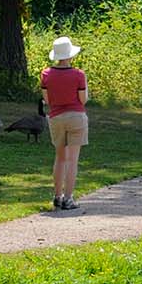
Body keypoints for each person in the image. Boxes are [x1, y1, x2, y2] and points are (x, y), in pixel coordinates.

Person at [41, 36, 89, 211]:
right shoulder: (78, 75)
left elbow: (47, 99)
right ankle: (68, 198)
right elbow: (82, 100)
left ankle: (57, 196)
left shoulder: (46, 74)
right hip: (76, 116)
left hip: (56, 116)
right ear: (70, 55)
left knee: (60, 158)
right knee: (72, 160)